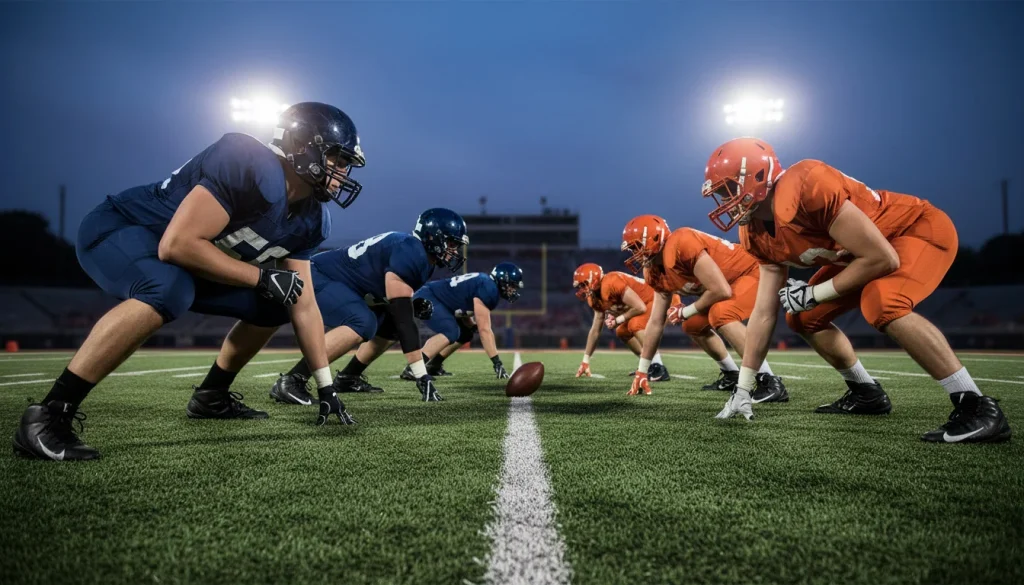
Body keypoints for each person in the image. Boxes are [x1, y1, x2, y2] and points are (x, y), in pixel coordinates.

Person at [14, 102, 365, 461]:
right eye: (337, 160)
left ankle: (211, 396)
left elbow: (303, 304)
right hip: (124, 230)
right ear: (301, 145)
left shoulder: (311, 220)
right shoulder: (248, 163)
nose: (342, 173)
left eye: (346, 165)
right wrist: (261, 276)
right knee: (168, 289)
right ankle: (48, 416)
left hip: (189, 262)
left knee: (277, 304)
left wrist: (325, 386)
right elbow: (177, 245)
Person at [704, 136, 1011, 443]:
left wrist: (813, 294)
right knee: (802, 317)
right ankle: (866, 392)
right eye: (719, 193)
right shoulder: (754, 234)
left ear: (758, 176)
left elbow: (882, 258)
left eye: (728, 189)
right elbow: (763, 313)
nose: (724, 199)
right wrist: (744, 385)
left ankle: (977, 407)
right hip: (861, 257)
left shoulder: (806, 187)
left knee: (884, 303)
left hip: (912, 231)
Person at [270, 209, 468, 404]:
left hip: (343, 284)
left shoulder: (417, 254)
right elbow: (405, 321)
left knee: (389, 325)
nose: (454, 251)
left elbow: (387, 298)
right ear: (433, 237)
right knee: (362, 322)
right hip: (318, 276)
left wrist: (409, 305)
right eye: (451, 243)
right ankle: (292, 380)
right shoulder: (412, 252)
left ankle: (349, 377)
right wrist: (421, 375)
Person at [619, 217, 786, 399]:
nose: (635, 254)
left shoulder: (681, 242)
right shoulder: (653, 272)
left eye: (637, 247)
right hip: (728, 285)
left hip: (753, 271)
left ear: (655, 238)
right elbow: (656, 322)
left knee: (721, 313)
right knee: (692, 325)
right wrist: (642, 370)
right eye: (632, 249)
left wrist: (685, 311)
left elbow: (721, 290)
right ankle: (731, 374)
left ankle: (769, 381)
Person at [571, 263, 671, 382]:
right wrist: (585, 360)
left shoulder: (612, 282)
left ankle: (658, 367)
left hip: (661, 298)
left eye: (584, 284)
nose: (582, 289)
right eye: (580, 286)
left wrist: (618, 319)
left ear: (594, 279)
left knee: (635, 324)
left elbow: (640, 307)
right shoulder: (593, 298)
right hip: (647, 303)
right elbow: (595, 329)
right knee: (622, 331)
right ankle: (648, 364)